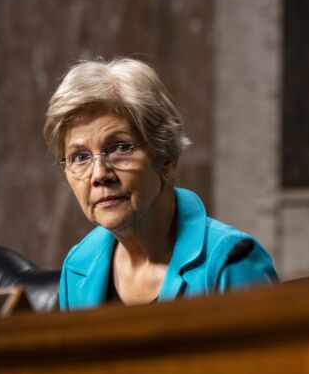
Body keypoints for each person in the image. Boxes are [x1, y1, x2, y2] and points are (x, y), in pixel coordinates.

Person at [45, 57, 278, 310]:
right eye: (80, 157)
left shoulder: (232, 263)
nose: (99, 174)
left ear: (167, 158)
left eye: (121, 148)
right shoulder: (78, 266)